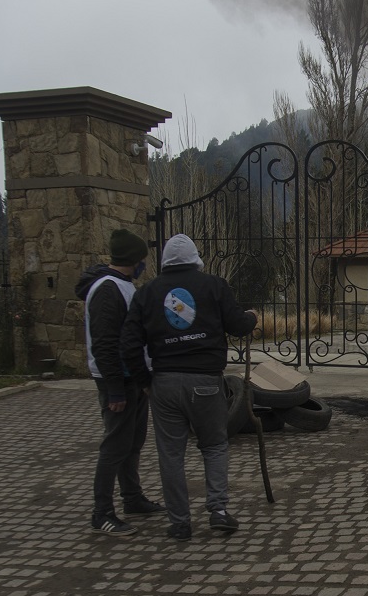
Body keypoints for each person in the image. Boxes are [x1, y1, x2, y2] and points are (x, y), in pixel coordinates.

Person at [120, 234, 258, 541]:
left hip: (164, 384)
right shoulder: (214, 286)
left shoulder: (146, 293)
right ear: (196, 259)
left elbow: (128, 344)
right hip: (206, 382)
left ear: (165, 261)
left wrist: (145, 382)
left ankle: (180, 522)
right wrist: (251, 318)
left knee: (171, 454)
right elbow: (238, 325)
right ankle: (219, 511)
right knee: (214, 446)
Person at [75, 228, 166, 537]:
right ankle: (102, 513)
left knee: (132, 443)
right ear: (134, 259)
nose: (146, 264)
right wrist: (115, 387)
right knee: (115, 446)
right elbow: (104, 343)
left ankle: (132, 497)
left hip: (134, 377)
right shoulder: (107, 290)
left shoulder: (125, 286)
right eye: (144, 258)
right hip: (119, 381)